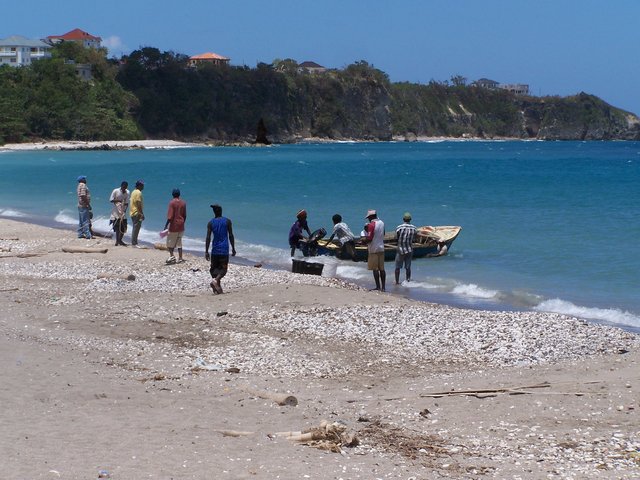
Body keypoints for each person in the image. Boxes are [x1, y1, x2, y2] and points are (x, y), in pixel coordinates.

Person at [205, 204, 236, 294]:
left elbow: (208, 238)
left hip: (214, 250)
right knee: (223, 269)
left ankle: (217, 288)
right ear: (221, 211)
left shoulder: (210, 223)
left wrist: (206, 251)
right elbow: (231, 235)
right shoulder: (227, 221)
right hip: (224, 249)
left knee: (214, 269)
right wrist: (233, 248)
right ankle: (216, 281)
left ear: (214, 212)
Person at [364, 209, 386, 291]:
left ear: (371, 217)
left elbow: (369, 238)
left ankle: (378, 286)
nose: (368, 219)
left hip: (373, 248)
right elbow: (383, 233)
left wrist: (363, 241)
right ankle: (383, 287)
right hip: (381, 247)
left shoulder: (371, 225)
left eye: (368, 217)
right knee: (382, 269)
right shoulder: (382, 223)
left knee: (375, 269)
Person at [164, 188, 187, 264]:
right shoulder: (183, 203)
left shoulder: (172, 203)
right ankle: (180, 258)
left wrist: (166, 225)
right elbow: (185, 215)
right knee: (179, 242)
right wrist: (183, 222)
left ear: (172, 194)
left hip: (174, 225)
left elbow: (170, 216)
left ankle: (172, 256)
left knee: (170, 243)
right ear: (179, 194)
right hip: (181, 225)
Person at [395, 212, 417, 284]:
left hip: (400, 249)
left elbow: (396, 238)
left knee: (397, 267)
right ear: (410, 219)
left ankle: (397, 282)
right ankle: (407, 281)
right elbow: (414, 239)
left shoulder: (399, 228)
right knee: (408, 267)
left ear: (403, 219)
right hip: (409, 249)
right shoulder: (414, 228)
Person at [109, 181, 130, 246]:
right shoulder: (116, 191)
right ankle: (117, 241)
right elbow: (111, 200)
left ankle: (120, 240)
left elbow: (127, 203)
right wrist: (119, 201)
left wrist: (124, 211)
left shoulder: (127, 192)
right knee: (117, 227)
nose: (124, 189)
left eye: (125, 187)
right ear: (121, 186)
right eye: (123, 187)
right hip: (116, 212)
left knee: (124, 227)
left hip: (123, 212)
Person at [129, 180, 145, 247]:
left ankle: (134, 242)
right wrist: (141, 213)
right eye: (142, 185)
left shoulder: (133, 191)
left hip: (132, 212)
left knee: (135, 228)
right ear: (139, 185)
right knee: (136, 228)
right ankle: (134, 243)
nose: (143, 186)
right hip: (137, 213)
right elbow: (138, 203)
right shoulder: (138, 193)